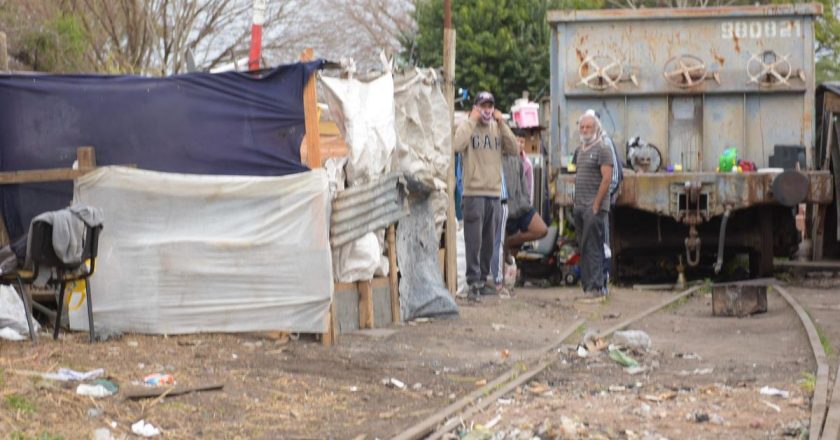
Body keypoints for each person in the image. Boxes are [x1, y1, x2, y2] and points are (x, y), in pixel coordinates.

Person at [453, 91, 519, 301]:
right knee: (474, 240)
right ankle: (473, 282)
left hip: (494, 193)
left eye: (490, 105)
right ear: (475, 107)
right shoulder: (467, 126)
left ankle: (482, 279)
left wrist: (503, 124)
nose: (487, 110)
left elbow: (514, 149)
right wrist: (472, 119)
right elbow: (456, 145)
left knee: (489, 241)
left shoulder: (497, 128)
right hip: (473, 193)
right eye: (483, 105)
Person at [572, 112, 614, 296]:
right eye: (582, 127)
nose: (584, 130)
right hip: (580, 206)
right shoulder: (579, 151)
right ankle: (587, 286)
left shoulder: (603, 149)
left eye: (588, 127)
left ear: (596, 128)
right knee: (583, 246)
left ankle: (597, 286)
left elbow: (607, 179)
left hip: (593, 207)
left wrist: (596, 204)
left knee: (594, 246)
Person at [503, 144, 547, 261]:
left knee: (542, 230)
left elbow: (523, 181)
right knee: (502, 259)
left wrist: (525, 201)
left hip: (521, 206)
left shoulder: (516, 157)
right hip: (503, 210)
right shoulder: (493, 158)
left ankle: (509, 242)